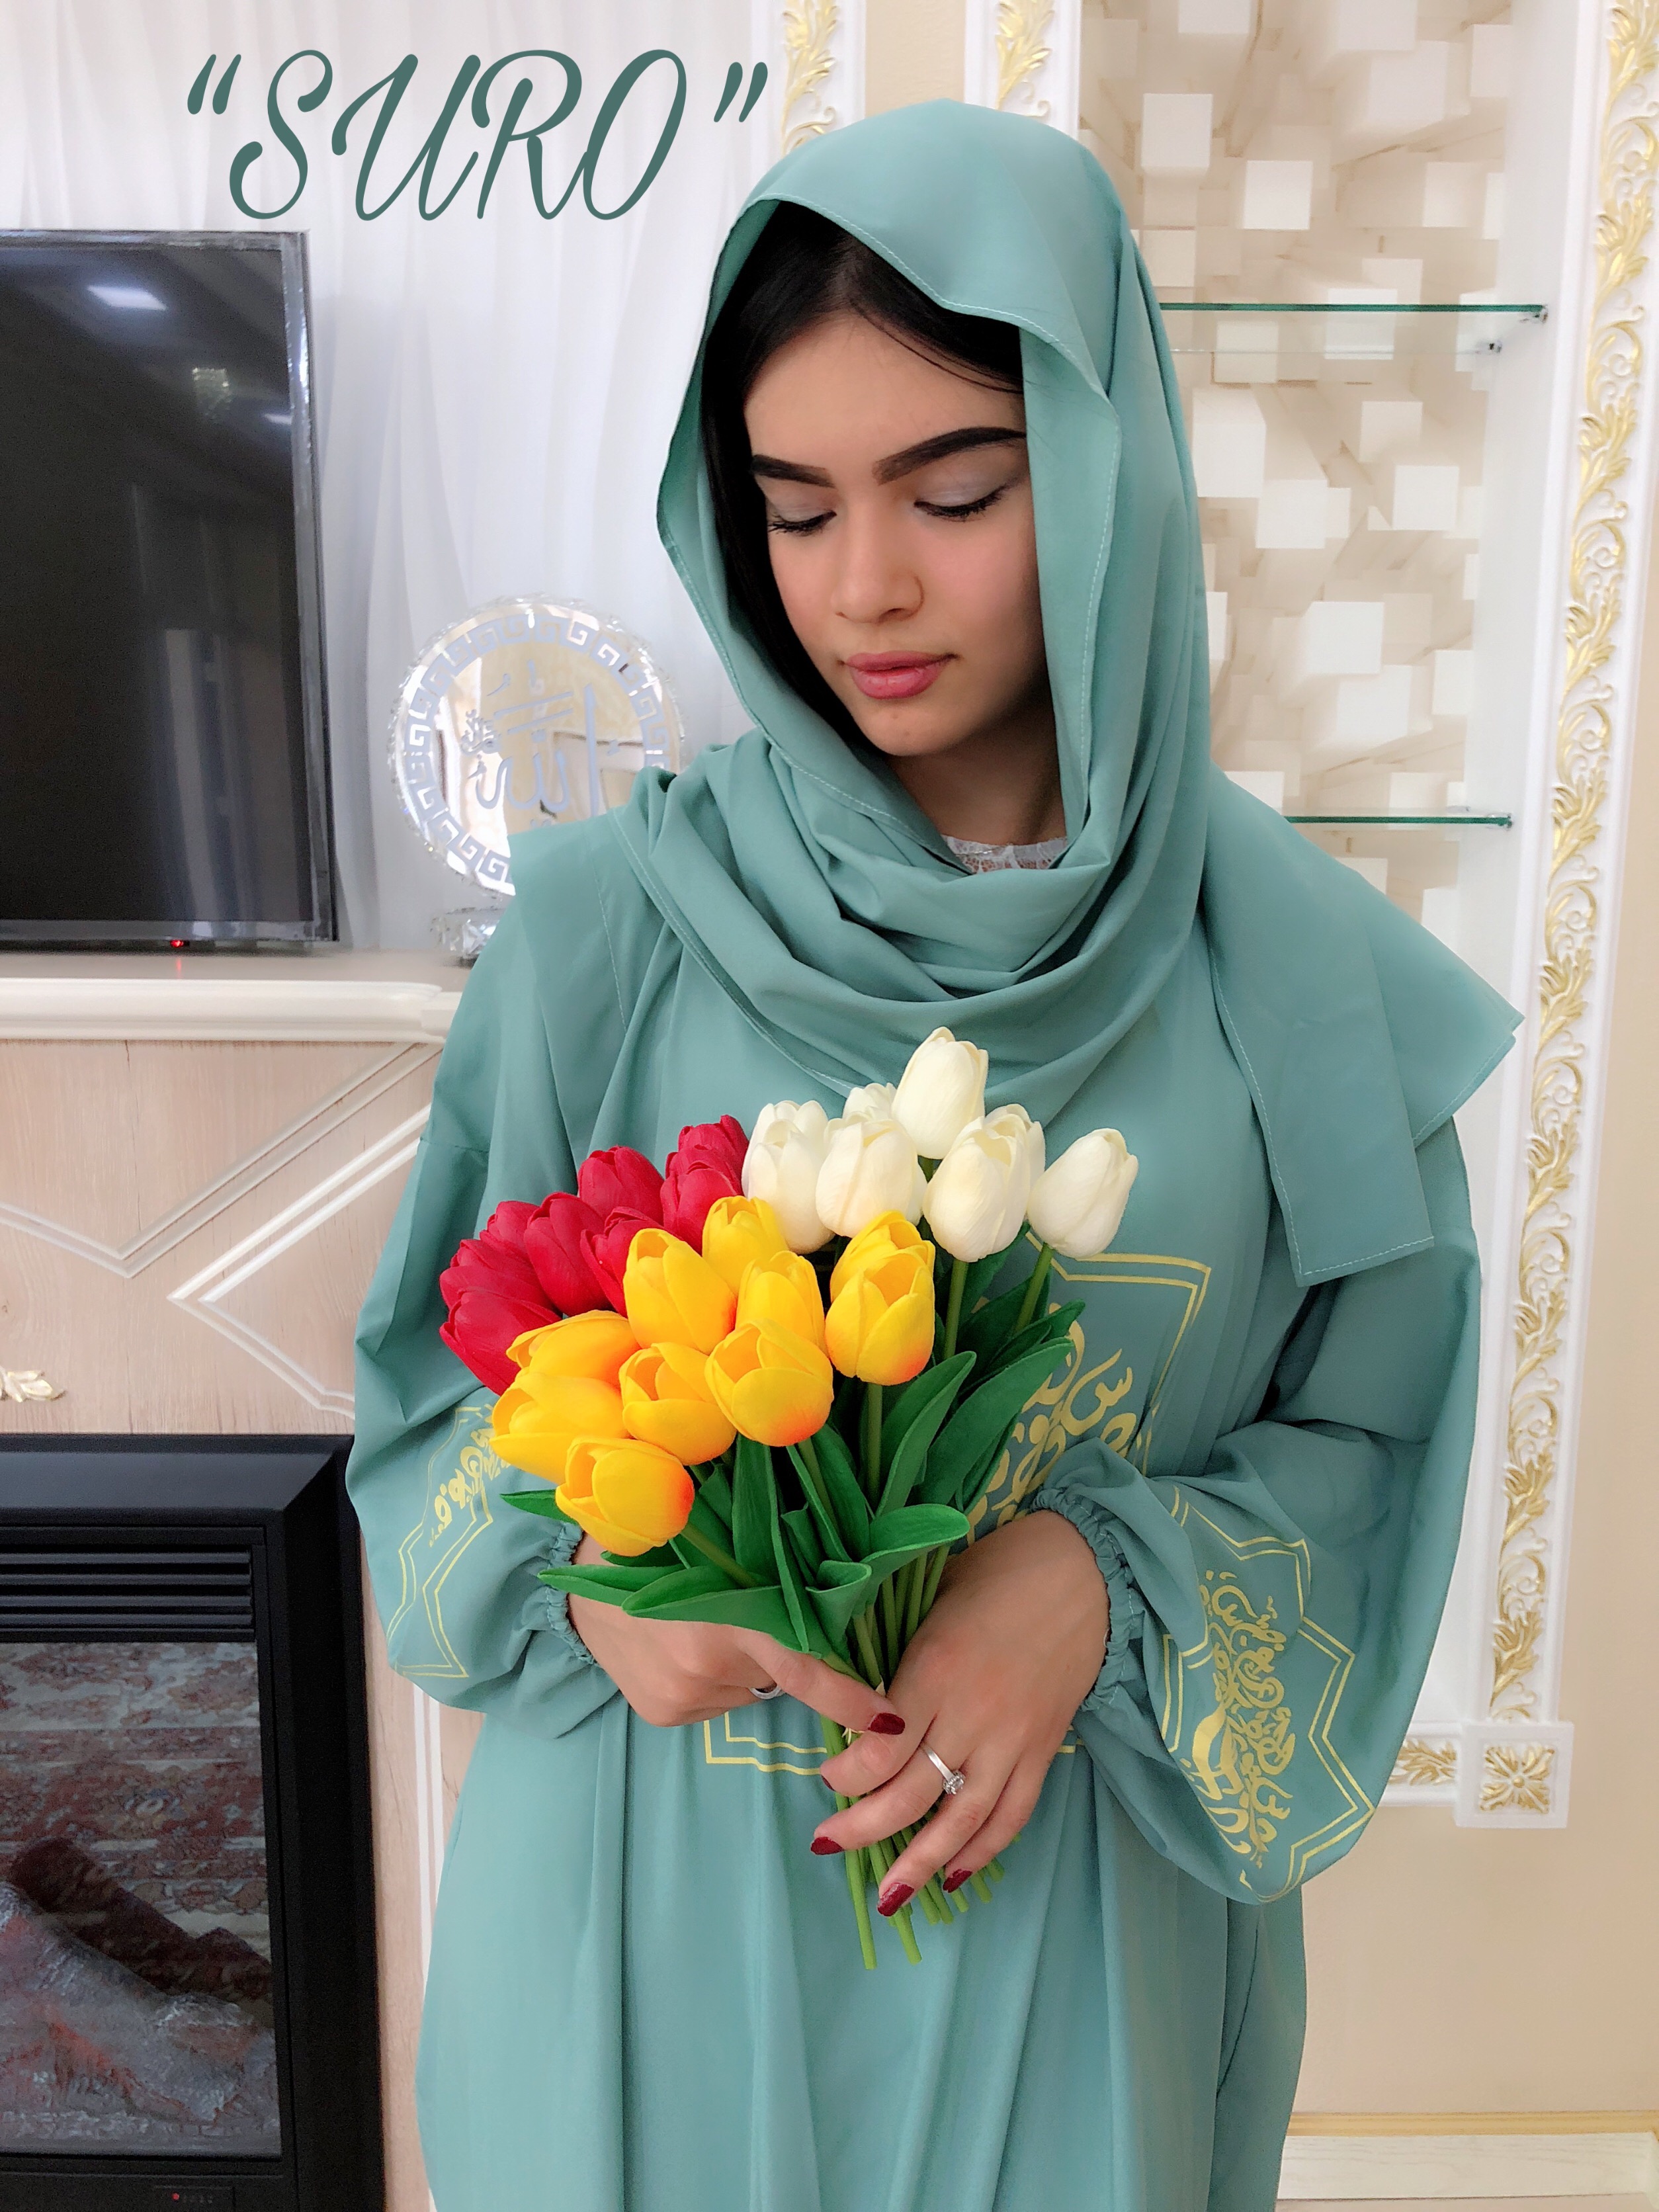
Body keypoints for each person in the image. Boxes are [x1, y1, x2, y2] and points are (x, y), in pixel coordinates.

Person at [349, 101, 1517, 2212]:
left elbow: (1373, 1455)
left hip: (1072, 1940)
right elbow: (430, 1412)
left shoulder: (1299, 982)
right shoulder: (610, 932)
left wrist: (1096, 1582)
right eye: (791, 509)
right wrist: (593, 1585)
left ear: (1103, 472)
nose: (862, 587)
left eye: (955, 491)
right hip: (641, 1931)